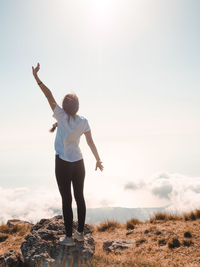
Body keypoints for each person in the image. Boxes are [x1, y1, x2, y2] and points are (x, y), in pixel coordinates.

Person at [32, 63, 104, 246]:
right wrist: (98, 159)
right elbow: (90, 142)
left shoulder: (60, 115)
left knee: (67, 199)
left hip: (63, 163)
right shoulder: (84, 121)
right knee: (80, 197)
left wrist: (37, 78)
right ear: (78, 107)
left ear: (64, 106)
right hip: (79, 163)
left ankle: (69, 238)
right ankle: (80, 233)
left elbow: (48, 95)